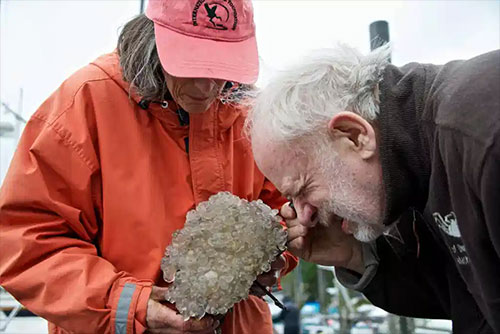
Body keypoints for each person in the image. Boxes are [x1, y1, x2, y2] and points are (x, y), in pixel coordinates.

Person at [0, 1, 297, 333]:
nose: (206, 88)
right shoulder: (85, 104)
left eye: (220, 67)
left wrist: (273, 260)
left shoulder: (254, 117)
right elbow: (26, 242)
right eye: (190, 66)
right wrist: (132, 307)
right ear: (155, 38)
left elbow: (285, 211)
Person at [247, 44, 500, 333]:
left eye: (303, 189)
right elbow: (472, 302)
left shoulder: (484, 140)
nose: (303, 216)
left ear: (354, 136)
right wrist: (353, 255)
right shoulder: (422, 171)